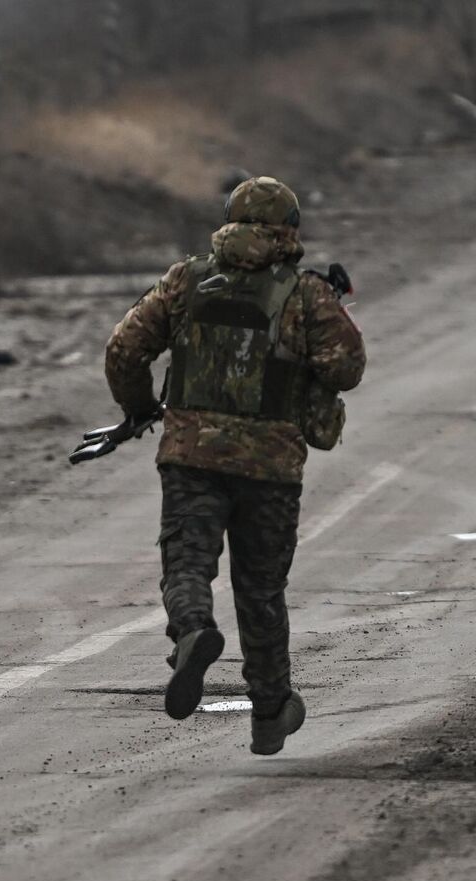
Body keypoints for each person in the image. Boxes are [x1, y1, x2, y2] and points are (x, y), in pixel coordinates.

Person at [104, 175, 366, 754]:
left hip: (191, 457)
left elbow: (124, 349)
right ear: (290, 231)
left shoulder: (186, 281)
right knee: (261, 589)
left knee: (187, 562)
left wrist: (141, 409)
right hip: (271, 468)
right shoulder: (304, 295)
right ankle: (270, 710)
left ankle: (194, 628)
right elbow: (347, 368)